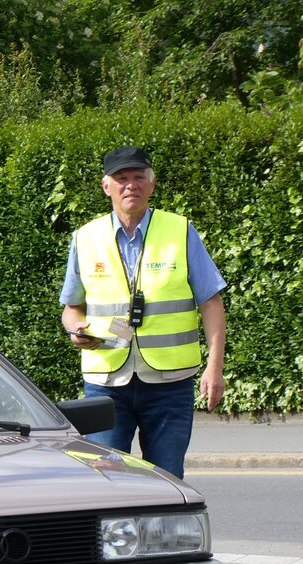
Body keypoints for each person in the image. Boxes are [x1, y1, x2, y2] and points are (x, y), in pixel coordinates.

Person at [59, 145, 225, 479]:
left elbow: (211, 302)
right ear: (107, 187)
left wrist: (214, 368)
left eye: (138, 177)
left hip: (169, 383)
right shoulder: (85, 238)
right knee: (104, 479)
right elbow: (71, 308)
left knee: (166, 479)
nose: (130, 185)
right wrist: (76, 329)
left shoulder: (180, 231)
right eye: (121, 178)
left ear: (151, 184)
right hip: (106, 383)